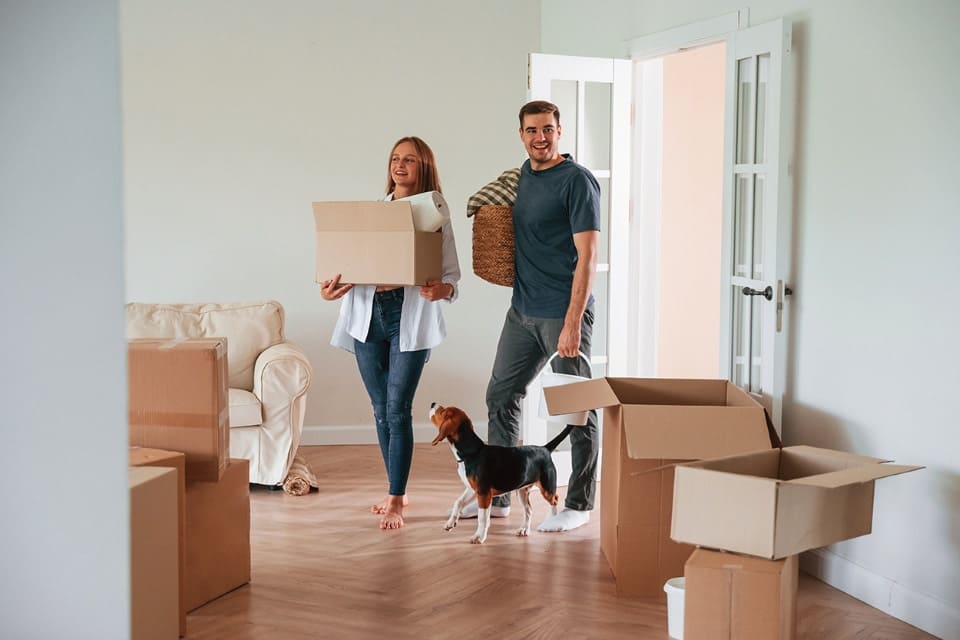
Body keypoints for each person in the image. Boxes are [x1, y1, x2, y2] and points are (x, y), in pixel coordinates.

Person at [463, 100, 601, 532]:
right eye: (531, 130)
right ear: (521, 134)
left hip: (562, 312)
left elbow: (589, 256)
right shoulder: (520, 176)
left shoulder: (577, 182)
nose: (539, 137)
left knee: (576, 411)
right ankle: (500, 494)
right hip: (522, 311)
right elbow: (483, 203)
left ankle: (578, 504)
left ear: (560, 131)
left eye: (547, 129)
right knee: (500, 396)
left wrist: (573, 321)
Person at [320, 136, 460, 530]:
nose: (399, 166)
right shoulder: (371, 215)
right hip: (368, 318)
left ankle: (397, 497)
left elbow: (452, 278)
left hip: (409, 317)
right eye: (395, 159)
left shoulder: (435, 218)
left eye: (409, 160)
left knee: (397, 410)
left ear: (424, 168)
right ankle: (393, 487)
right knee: (381, 410)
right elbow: (341, 265)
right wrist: (328, 289)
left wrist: (441, 290)